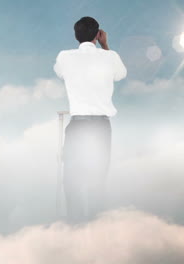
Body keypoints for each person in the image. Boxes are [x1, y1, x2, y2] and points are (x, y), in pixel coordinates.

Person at [53, 16, 127, 223]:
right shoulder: (110, 57)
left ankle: (75, 224)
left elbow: (60, 73)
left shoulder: (64, 57)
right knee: (98, 178)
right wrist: (106, 46)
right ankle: (96, 226)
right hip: (101, 126)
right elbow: (120, 75)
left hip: (78, 125)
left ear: (76, 36)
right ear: (98, 34)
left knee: (72, 178)